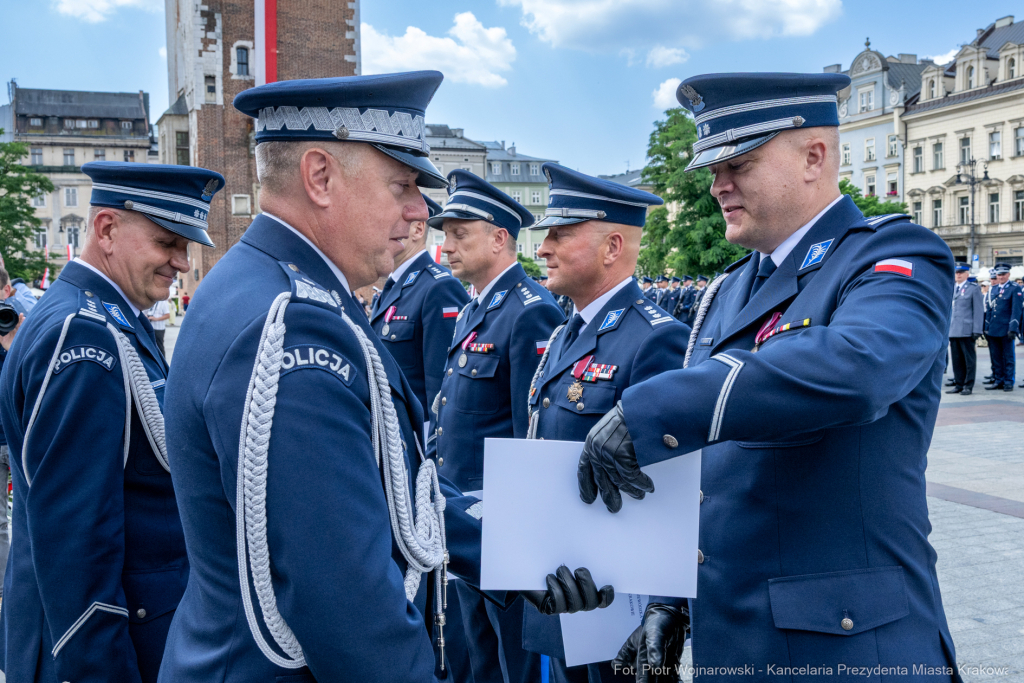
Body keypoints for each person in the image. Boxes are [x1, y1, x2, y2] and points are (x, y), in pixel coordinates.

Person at [159, 73, 606, 683]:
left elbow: (390, 492)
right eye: (402, 185)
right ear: (320, 177)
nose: (420, 211)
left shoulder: (267, 288)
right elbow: (347, 607)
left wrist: (517, 553)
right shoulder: (295, 326)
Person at [577, 72, 962, 679]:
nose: (718, 186)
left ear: (814, 157)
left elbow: (859, 367)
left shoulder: (891, 254)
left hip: (847, 649)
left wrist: (654, 408)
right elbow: (710, 474)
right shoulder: (729, 288)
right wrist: (669, 600)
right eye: (712, 170)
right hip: (735, 643)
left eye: (739, 164)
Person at [0, 161, 224, 683]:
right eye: (167, 242)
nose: (182, 261)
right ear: (106, 230)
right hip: (104, 643)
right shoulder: (86, 336)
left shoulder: (102, 318)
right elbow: (76, 541)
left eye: (185, 246)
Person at [526, 163, 690, 683]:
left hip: (619, 604)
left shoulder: (655, 337)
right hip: (565, 583)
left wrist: (665, 603)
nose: (543, 248)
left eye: (560, 234)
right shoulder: (565, 333)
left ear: (612, 247)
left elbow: (673, 483)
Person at [429, 168, 565, 683]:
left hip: (506, 524)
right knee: (481, 659)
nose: (447, 247)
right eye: (445, 235)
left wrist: (527, 539)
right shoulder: (474, 310)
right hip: (468, 520)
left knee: (517, 665)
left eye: (460, 234)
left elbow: (533, 432)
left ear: (498, 238)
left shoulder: (530, 312)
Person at [370, 193, 470, 424]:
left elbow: (441, 386)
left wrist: (431, 442)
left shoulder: (439, 287)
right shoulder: (393, 286)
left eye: (390, 220)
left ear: (417, 230)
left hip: (418, 434)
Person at [982, 263, 1022, 391]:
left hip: (1006, 329)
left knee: (1008, 357)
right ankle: (999, 380)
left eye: (1003, 274)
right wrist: (986, 327)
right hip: (993, 328)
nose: (1000, 277)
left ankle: (1008, 381)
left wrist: (1013, 328)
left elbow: (1016, 310)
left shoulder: (1014, 288)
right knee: (996, 357)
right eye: (999, 274)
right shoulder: (993, 289)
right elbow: (990, 310)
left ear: (1008, 274)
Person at [947, 262, 984, 395]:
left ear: (967, 274)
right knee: (957, 360)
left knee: (969, 361)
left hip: (967, 330)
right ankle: (959, 384)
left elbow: (978, 311)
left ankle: (968, 385)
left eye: (961, 272)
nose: (958, 275)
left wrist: (977, 330)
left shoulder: (973, 288)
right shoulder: (952, 288)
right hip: (953, 330)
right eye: (956, 273)